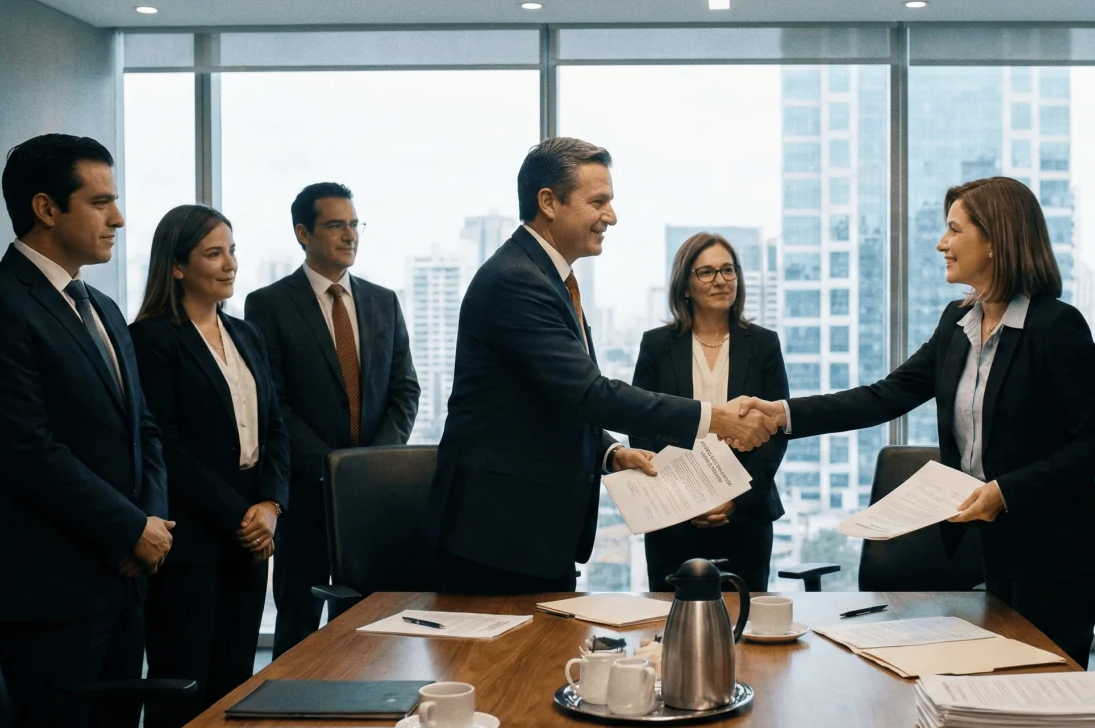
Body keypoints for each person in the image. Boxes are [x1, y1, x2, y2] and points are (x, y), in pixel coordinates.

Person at [739, 177, 1095, 667]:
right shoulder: (957, 323)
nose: (942, 243)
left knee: (1042, 684)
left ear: (996, 242)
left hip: (1059, 548)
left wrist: (1006, 490)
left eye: (954, 230)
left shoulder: (1055, 327)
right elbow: (885, 396)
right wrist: (783, 414)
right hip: (996, 545)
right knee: (996, 683)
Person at [423, 137, 776, 595]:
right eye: (599, 202)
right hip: (498, 535)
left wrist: (610, 453)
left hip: (529, 534)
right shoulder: (518, 281)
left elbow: (555, 401)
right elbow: (589, 394)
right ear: (548, 202)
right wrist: (714, 418)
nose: (611, 216)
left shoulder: (549, 278)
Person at [0, 134, 171, 728]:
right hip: (46, 594)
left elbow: (143, 428)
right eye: (100, 202)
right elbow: (23, 448)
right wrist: (128, 529)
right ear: (46, 208)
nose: (118, 218)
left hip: (122, 583)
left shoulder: (103, 307)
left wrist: (148, 525)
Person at [129, 205, 291, 728]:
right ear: (177, 266)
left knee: (235, 686)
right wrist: (242, 514)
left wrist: (270, 504)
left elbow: (275, 431)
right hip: (193, 538)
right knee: (183, 687)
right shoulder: (153, 338)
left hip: (251, 536)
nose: (229, 264)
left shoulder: (246, 336)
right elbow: (167, 448)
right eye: (213, 253)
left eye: (233, 251)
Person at [243, 182, 420, 657]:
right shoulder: (269, 304)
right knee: (298, 631)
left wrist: (369, 466)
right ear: (303, 232)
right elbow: (273, 403)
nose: (350, 235)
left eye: (355, 224)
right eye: (336, 225)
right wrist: (336, 468)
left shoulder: (384, 301)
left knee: (371, 633)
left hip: (372, 502)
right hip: (305, 495)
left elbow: (406, 390)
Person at [631, 233, 789, 591]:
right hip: (673, 514)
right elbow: (642, 427)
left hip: (746, 515)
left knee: (744, 622)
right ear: (685, 285)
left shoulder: (764, 344)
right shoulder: (656, 345)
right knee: (670, 620)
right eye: (706, 272)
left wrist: (735, 499)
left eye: (728, 270)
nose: (720, 280)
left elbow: (777, 431)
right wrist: (687, 499)